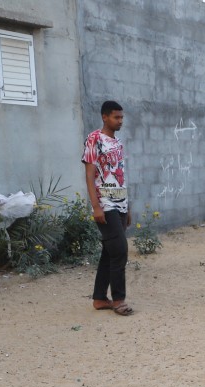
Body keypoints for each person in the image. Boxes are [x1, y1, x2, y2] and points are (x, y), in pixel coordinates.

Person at [83, 100, 133, 316]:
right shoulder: (94, 139)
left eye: (121, 117)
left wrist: (127, 207)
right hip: (105, 204)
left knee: (109, 252)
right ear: (105, 117)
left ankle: (99, 298)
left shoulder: (118, 142)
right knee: (120, 250)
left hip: (120, 203)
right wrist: (96, 207)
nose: (120, 121)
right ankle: (119, 300)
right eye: (116, 117)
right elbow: (89, 174)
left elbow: (120, 175)